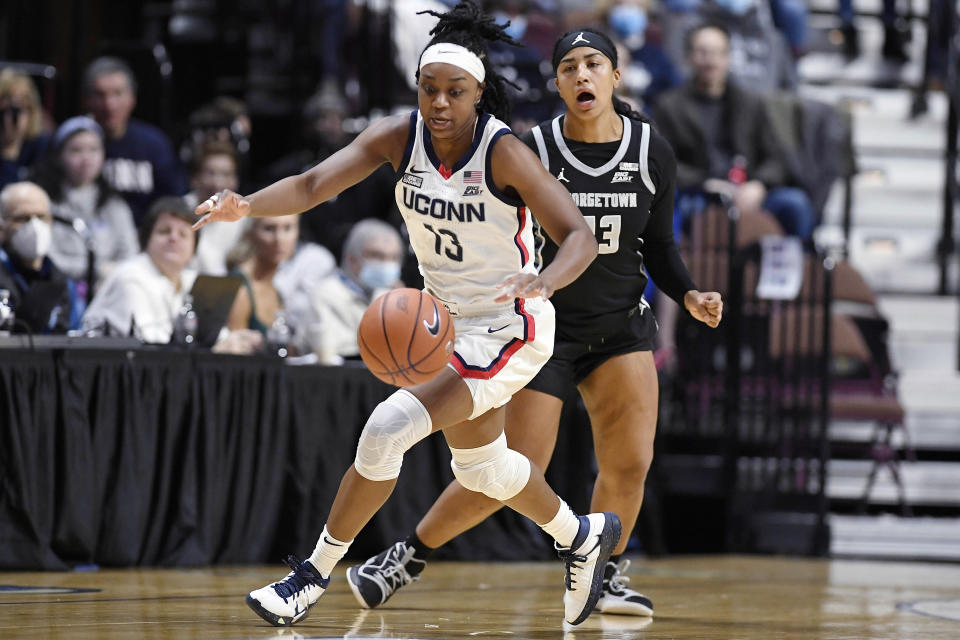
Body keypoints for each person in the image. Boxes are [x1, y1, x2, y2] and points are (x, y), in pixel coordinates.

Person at [195, 1, 619, 628]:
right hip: (446, 323)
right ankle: (581, 534)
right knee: (483, 467)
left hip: (511, 325)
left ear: (478, 95)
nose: (440, 103)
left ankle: (310, 577)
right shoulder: (399, 136)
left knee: (386, 429)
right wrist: (245, 205)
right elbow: (313, 186)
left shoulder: (503, 152)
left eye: (455, 92)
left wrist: (545, 280)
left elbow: (579, 236)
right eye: (429, 89)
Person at [346, 27, 723, 619]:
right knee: (510, 469)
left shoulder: (652, 150)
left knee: (629, 462)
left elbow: (660, 245)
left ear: (615, 77)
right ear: (556, 83)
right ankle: (406, 555)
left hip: (620, 325)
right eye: (568, 66)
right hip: (542, 331)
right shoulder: (531, 149)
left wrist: (690, 291)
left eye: (593, 63)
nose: (581, 75)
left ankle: (604, 577)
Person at [652, 22, 814, 239]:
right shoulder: (670, 106)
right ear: (689, 58)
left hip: (749, 191)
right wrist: (704, 183)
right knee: (681, 210)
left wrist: (759, 185)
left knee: (795, 204)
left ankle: (791, 271)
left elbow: (777, 159)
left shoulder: (750, 103)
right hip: (699, 192)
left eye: (718, 53)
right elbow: (660, 163)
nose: (710, 61)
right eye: (703, 53)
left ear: (728, 58)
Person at [32, 116, 139, 296]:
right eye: (76, 150)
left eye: (93, 149)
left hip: (108, 291)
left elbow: (130, 254)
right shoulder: (43, 202)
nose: (86, 158)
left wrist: (110, 274)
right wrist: (97, 270)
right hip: (57, 291)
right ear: (59, 156)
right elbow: (46, 256)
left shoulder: (114, 204)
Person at [82, 56, 185, 225]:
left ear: (132, 99)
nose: (109, 105)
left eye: (117, 93)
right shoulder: (74, 143)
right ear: (87, 100)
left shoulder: (154, 145)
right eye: (100, 95)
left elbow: (172, 202)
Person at [82, 197, 198, 343]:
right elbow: (150, 344)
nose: (173, 238)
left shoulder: (192, 280)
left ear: (194, 248)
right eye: (164, 231)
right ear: (145, 240)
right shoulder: (130, 277)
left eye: (183, 234)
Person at [303, 218, 404, 364]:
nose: (387, 264)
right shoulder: (325, 293)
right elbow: (329, 358)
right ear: (352, 259)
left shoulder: (391, 296)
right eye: (377, 256)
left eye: (394, 257)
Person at [0, 181, 77, 333]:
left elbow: (73, 334)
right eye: (22, 218)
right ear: (2, 225)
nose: (34, 225)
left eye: (41, 217)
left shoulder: (62, 282)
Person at [224, 214, 299, 340]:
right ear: (250, 234)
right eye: (269, 228)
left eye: (287, 228)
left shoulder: (275, 289)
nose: (279, 239)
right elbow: (233, 354)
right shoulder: (240, 289)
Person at [0, 69, 50, 190]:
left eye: (21, 109)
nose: (13, 118)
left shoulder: (42, 145)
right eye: (8, 110)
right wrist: (9, 149)